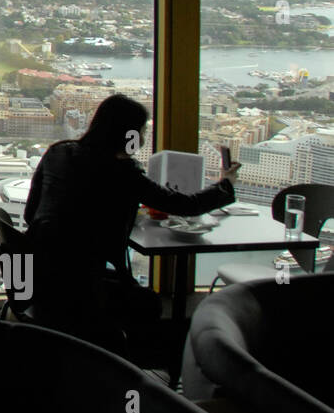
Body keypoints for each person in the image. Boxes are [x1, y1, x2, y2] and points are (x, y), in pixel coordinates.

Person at [23, 93, 238, 354]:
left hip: (40, 278)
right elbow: (186, 205)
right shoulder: (122, 173)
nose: (144, 138)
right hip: (82, 290)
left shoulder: (58, 152)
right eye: (142, 131)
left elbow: (30, 213)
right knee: (148, 303)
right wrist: (226, 184)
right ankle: (127, 362)